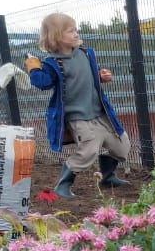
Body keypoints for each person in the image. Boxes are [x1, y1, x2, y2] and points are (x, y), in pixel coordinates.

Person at [24, 13, 131, 198]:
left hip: (100, 113)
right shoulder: (52, 63)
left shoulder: (84, 53)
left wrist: (101, 76)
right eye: (70, 31)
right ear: (56, 36)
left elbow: (87, 76)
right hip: (78, 118)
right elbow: (43, 83)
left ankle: (108, 176)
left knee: (122, 145)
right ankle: (62, 185)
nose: (76, 33)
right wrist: (33, 67)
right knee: (88, 152)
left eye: (75, 29)